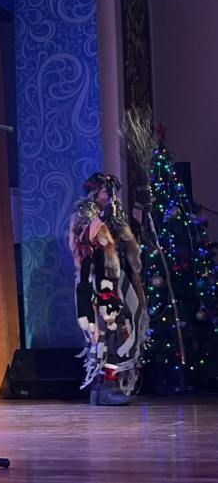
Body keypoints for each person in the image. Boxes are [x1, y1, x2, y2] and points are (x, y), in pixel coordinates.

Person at [69, 172, 149, 405]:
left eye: (113, 191)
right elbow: (83, 243)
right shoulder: (83, 216)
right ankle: (105, 386)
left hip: (118, 279)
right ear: (95, 193)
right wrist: (102, 218)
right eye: (106, 191)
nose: (111, 195)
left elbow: (130, 243)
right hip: (97, 279)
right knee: (105, 329)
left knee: (121, 326)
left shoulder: (116, 218)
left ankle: (106, 386)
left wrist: (138, 210)